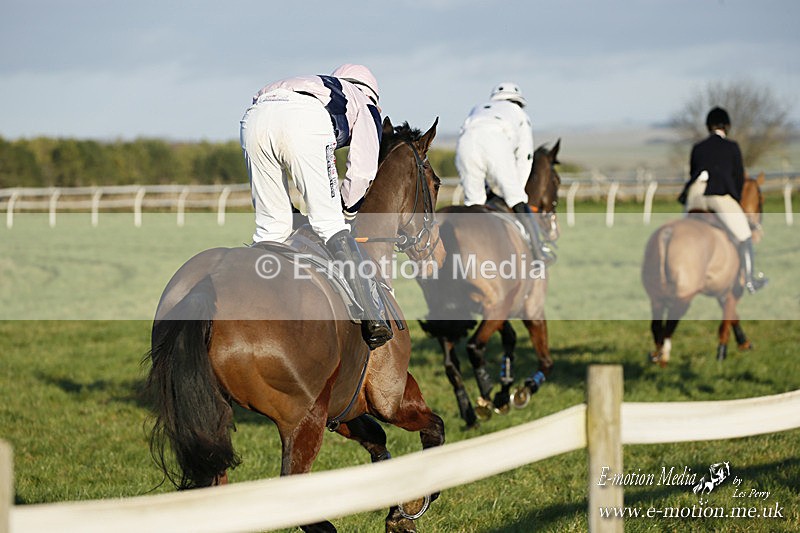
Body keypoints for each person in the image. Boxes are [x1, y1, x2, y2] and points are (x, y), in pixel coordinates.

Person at [239, 64, 392, 349]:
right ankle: (373, 316)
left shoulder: (322, 84)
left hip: (255, 118)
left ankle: (249, 303)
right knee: (330, 224)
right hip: (303, 120)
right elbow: (362, 171)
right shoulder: (365, 101)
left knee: (272, 229)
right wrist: (346, 211)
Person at [454, 82, 554, 263]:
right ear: (518, 102)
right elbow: (525, 157)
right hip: (496, 142)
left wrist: (487, 188)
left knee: (474, 203)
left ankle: (465, 255)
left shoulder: (478, 108)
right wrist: (516, 190)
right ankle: (538, 252)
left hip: (465, 142)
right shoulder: (520, 115)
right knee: (517, 199)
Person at [679, 106, 767, 293]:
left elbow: (692, 171)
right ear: (726, 126)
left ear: (708, 126)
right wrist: (734, 198)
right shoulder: (732, 147)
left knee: (683, 230)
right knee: (745, 235)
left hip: (694, 196)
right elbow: (737, 178)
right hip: (717, 195)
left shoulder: (698, 147)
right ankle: (750, 281)